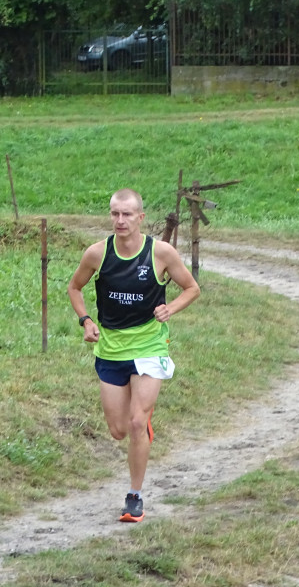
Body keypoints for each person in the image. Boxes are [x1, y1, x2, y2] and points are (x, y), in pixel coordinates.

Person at [67, 188, 200, 522]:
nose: (120, 220)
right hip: (111, 347)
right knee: (118, 429)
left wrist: (171, 308)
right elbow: (74, 288)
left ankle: (134, 497)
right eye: (115, 214)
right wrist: (86, 321)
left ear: (141, 218)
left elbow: (192, 288)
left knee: (138, 422)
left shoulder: (161, 253)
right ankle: (139, 424)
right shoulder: (97, 254)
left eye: (127, 214)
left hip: (150, 346)